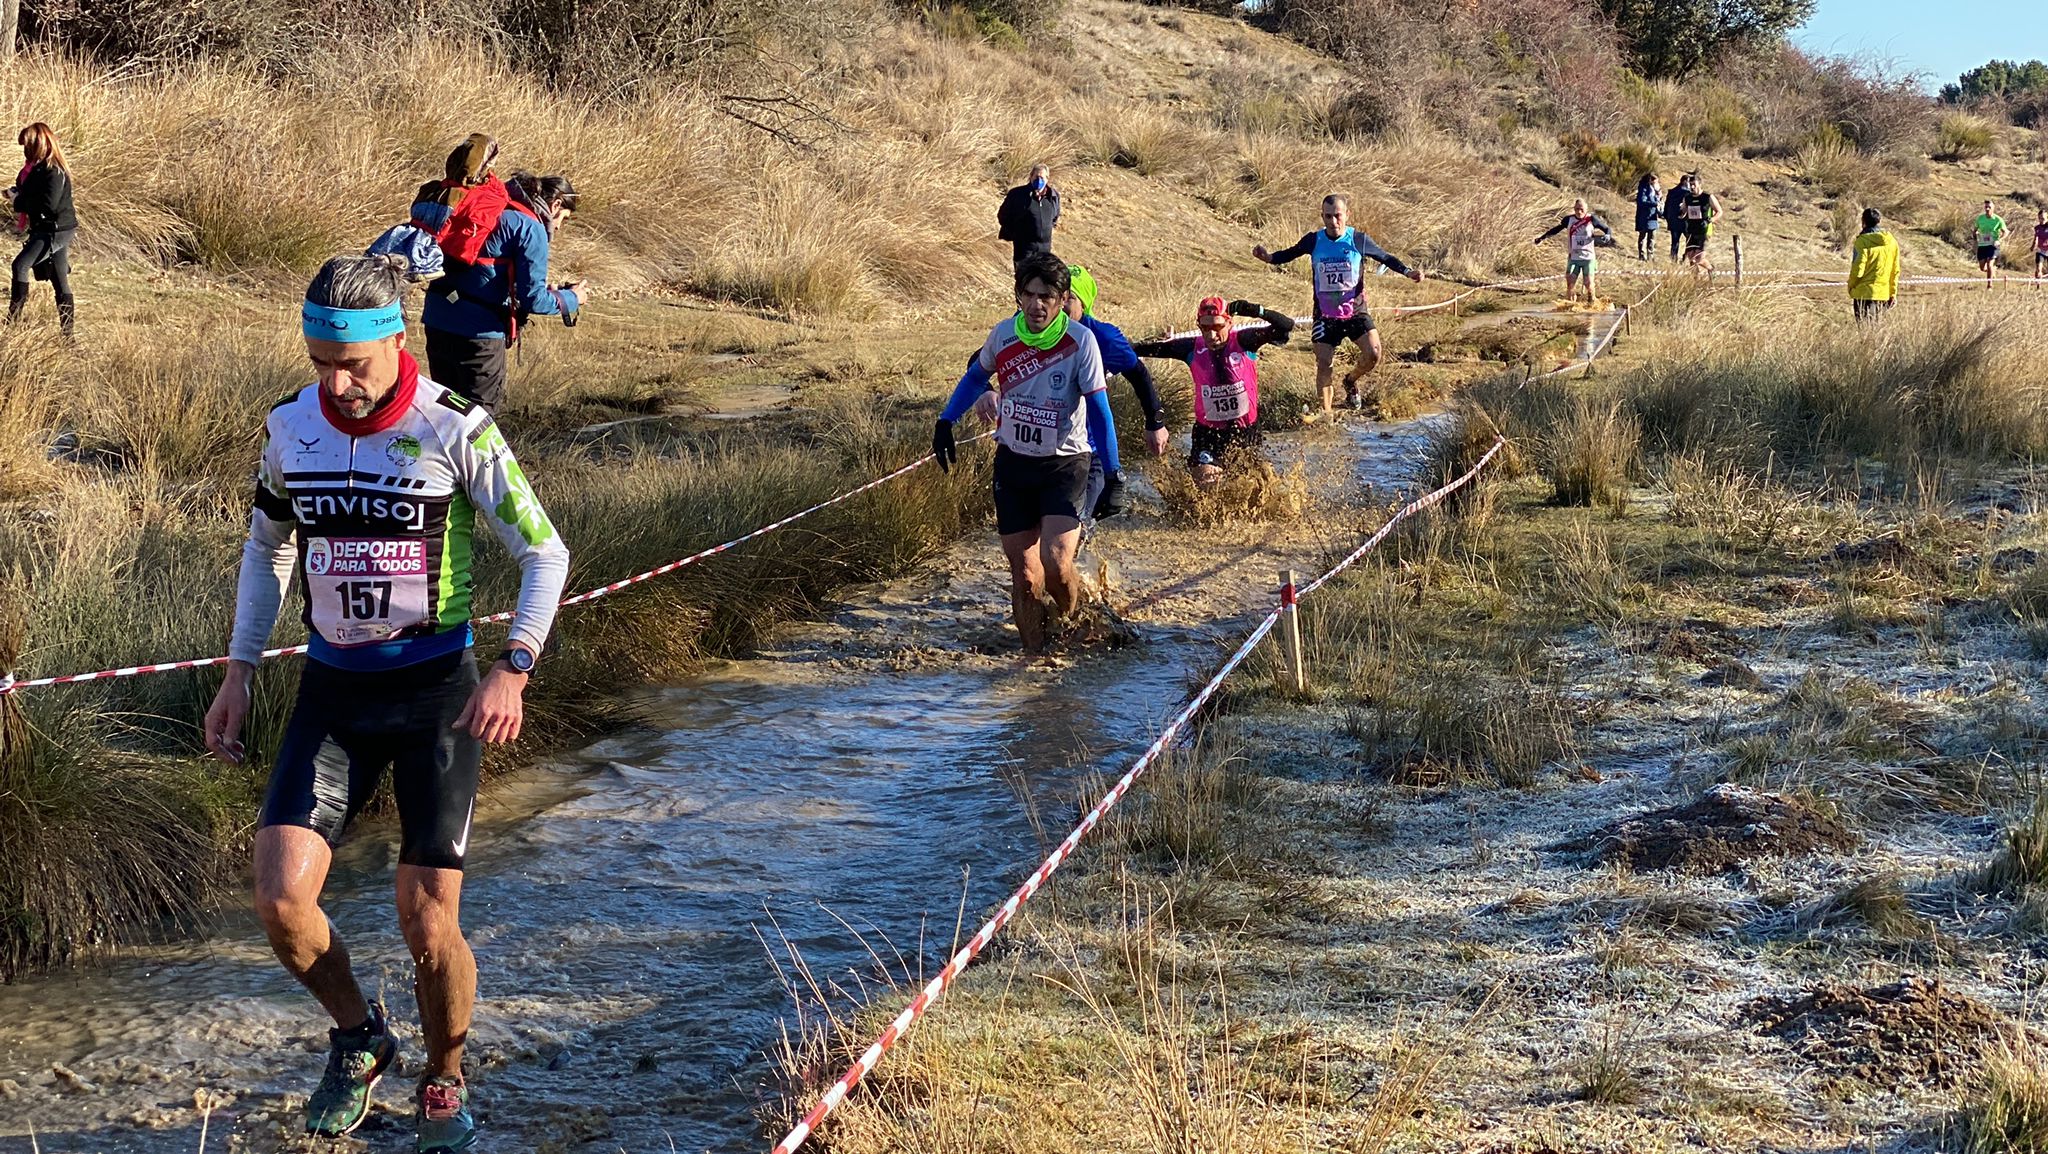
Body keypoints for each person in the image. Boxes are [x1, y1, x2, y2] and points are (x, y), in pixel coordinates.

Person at [202, 253, 571, 1150]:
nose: (337, 382)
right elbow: (267, 549)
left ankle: (445, 1078)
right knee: (280, 901)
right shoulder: (290, 426)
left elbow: (544, 553)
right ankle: (361, 1035)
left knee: (425, 919)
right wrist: (240, 671)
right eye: (320, 361)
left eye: (353, 365)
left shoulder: (457, 428)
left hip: (436, 696)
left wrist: (513, 668)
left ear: (395, 342)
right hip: (333, 690)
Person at [932, 253, 1116, 653]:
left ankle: (1070, 629)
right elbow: (975, 378)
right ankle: (1035, 657)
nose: (1037, 304)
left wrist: (1114, 472)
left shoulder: (1080, 342)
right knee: (1025, 573)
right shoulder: (1003, 336)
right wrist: (946, 421)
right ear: (1019, 296)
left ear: (1062, 298)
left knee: (1055, 563)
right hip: (1014, 464)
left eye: (1046, 296)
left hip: (1065, 464)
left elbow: (1100, 411)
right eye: (1029, 295)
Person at [964, 263, 1168, 519]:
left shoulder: (1101, 337)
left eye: (1070, 298)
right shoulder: (1025, 329)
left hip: (1084, 453)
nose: (1060, 305)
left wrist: (1155, 422)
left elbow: (1137, 373)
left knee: (1074, 534)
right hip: (1031, 456)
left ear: (1083, 304)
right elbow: (977, 360)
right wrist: (986, 390)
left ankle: (1089, 553)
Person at [411, 134, 585, 411]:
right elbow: (533, 300)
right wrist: (572, 298)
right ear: (556, 206)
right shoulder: (531, 228)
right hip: (479, 336)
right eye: (564, 218)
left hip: (437, 320)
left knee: (444, 416)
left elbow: (488, 269)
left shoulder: (488, 206)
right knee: (479, 420)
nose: (560, 226)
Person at [1251, 193, 1422, 418]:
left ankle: (1350, 381)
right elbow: (1290, 253)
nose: (1333, 222)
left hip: (1356, 312)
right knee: (1324, 363)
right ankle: (1327, 416)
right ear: (1322, 217)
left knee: (1374, 354)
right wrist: (1270, 258)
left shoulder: (1358, 240)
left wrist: (1408, 272)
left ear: (1346, 215)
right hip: (1325, 315)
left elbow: (1385, 258)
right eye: (1328, 216)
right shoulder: (1314, 240)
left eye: (1337, 216)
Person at [1131, 297, 1294, 488]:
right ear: (1198, 326)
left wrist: (1254, 310)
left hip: (1246, 432)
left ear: (1229, 323)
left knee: (1258, 489)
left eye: (1218, 327)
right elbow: (1147, 349)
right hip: (1208, 434)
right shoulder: (1190, 348)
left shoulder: (1245, 341)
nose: (1212, 335)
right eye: (1205, 328)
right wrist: (1122, 348)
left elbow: (1286, 326)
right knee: (1206, 482)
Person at [6, 123, 76, 336]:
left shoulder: (54, 171)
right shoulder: (39, 168)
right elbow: (34, 194)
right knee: (59, 279)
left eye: (27, 146)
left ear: (39, 145)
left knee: (20, 265)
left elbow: (48, 205)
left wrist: (18, 200)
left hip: (55, 230)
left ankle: (12, 325)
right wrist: (16, 193)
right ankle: (68, 338)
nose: (25, 151)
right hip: (48, 228)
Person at [1532, 198, 1615, 306]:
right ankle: (1571, 307)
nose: (1579, 212)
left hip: (1588, 258)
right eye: (1576, 209)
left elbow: (1607, 229)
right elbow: (1556, 229)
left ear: (1586, 209)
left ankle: (1592, 302)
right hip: (1573, 257)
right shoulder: (1568, 220)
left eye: (1581, 209)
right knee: (1570, 284)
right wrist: (1542, 238)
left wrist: (1607, 236)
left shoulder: (1592, 219)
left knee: (1588, 284)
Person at [996, 164, 1061, 272]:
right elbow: (1003, 216)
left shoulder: (1053, 196)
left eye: (1042, 178)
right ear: (1030, 176)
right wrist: (1016, 233)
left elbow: (1054, 217)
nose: (1039, 180)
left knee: (1042, 282)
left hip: (1044, 250)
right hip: (1024, 250)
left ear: (1047, 179)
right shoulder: (1017, 195)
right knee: (1024, 280)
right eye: (1036, 177)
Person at [1848, 206, 1900, 322]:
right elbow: (1895, 270)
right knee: (1875, 332)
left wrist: (1851, 286)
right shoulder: (1892, 242)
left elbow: (1858, 268)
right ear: (1879, 221)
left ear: (1863, 221)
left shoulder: (1861, 241)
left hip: (1863, 294)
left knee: (1864, 330)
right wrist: (1893, 293)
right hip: (1883, 294)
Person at [1681, 176, 1719, 272]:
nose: (1692, 187)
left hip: (1704, 230)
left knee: (1699, 258)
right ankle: (1695, 281)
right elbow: (1683, 211)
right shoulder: (1687, 198)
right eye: (1690, 185)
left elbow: (1719, 211)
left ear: (1700, 185)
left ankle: (1711, 269)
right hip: (1691, 230)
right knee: (1691, 258)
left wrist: (1711, 219)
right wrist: (1679, 213)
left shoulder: (1707, 197)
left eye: (1694, 185)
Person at [1975, 199, 2007, 287]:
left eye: (1989, 207)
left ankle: (1990, 285)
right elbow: (1975, 230)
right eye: (1986, 207)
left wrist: (1999, 240)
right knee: (1982, 268)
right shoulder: (1980, 218)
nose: (1987, 209)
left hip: (1993, 245)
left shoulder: (1998, 219)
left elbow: (2006, 232)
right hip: (1982, 244)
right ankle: (1993, 270)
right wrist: (1975, 237)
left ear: (1993, 208)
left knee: (1989, 263)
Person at [1634, 173, 1662, 261]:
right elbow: (1642, 201)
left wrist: (1659, 196)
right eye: (1655, 181)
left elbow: (1657, 200)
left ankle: (1651, 256)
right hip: (1644, 216)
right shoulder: (1643, 189)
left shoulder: (1654, 190)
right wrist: (1654, 204)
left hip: (1652, 216)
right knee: (1643, 236)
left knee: (1652, 237)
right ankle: (1641, 255)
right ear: (1651, 180)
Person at [1663, 174, 1691, 261]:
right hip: (1685, 222)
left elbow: (1666, 206)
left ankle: (1673, 259)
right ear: (1685, 181)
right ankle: (1685, 257)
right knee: (1690, 240)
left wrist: (1667, 218)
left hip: (1673, 221)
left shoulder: (1672, 192)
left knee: (1675, 242)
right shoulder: (1687, 193)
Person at [2034, 207, 2048, 282]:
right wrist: (2033, 245)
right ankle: (2038, 286)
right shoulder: (2037, 228)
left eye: (2043, 218)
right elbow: (2036, 237)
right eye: (2040, 218)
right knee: (2038, 268)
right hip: (2040, 250)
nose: (2041, 220)